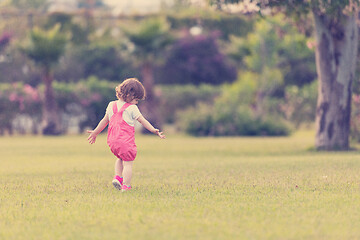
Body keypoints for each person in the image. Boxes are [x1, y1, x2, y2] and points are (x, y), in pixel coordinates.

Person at [87, 78, 165, 192]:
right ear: (129, 95)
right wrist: (153, 130)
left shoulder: (111, 105)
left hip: (112, 141)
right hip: (125, 142)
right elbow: (143, 121)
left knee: (120, 158)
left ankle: (117, 177)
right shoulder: (132, 108)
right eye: (136, 99)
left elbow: (104, 121)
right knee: (128, 163)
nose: (137, 102)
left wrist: (95, 132)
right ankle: (126, 185)